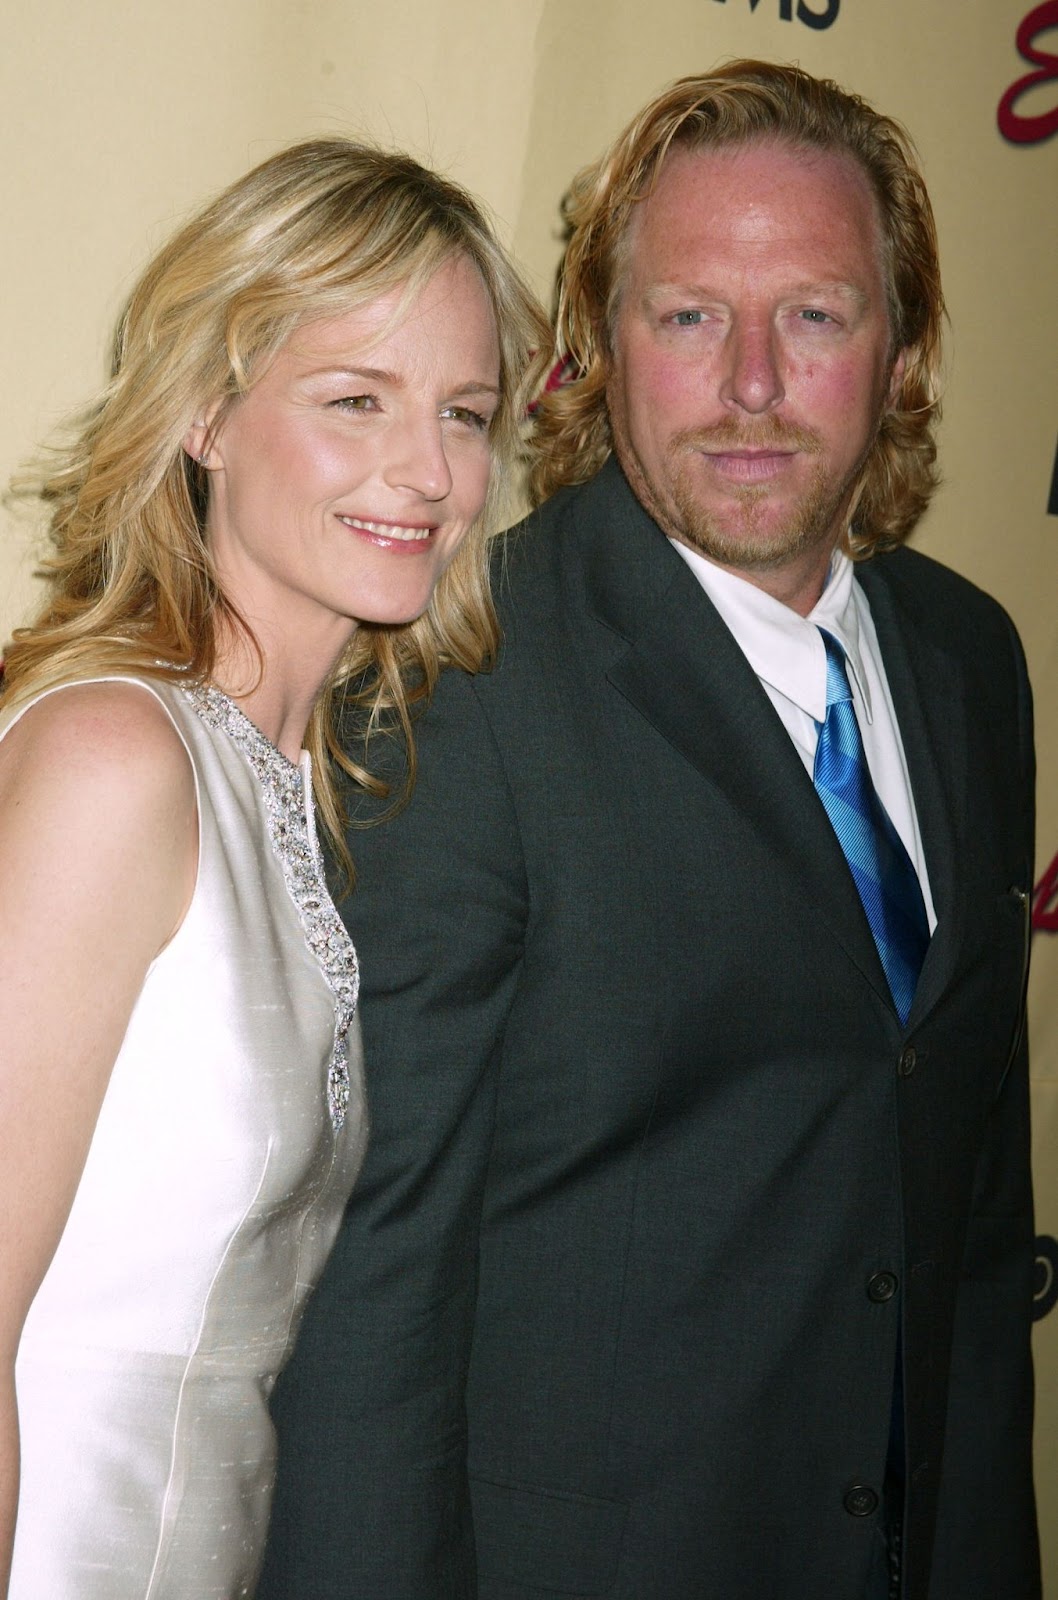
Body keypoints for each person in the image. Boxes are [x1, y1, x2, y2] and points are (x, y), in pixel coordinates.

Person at [260, 63, 1039, 1600]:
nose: (750, 380)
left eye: (813, 314)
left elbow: (965, 1220)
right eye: (687, 316)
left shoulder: (970, 661)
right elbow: (370, 1293)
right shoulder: (462, 675)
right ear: (598, 347)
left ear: (902, 349)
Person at [0, 137, 548, 1600]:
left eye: (465, 412)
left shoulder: (295, 779)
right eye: (355, 400)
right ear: (204, 415)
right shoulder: (116, 760)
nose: (429, 473)